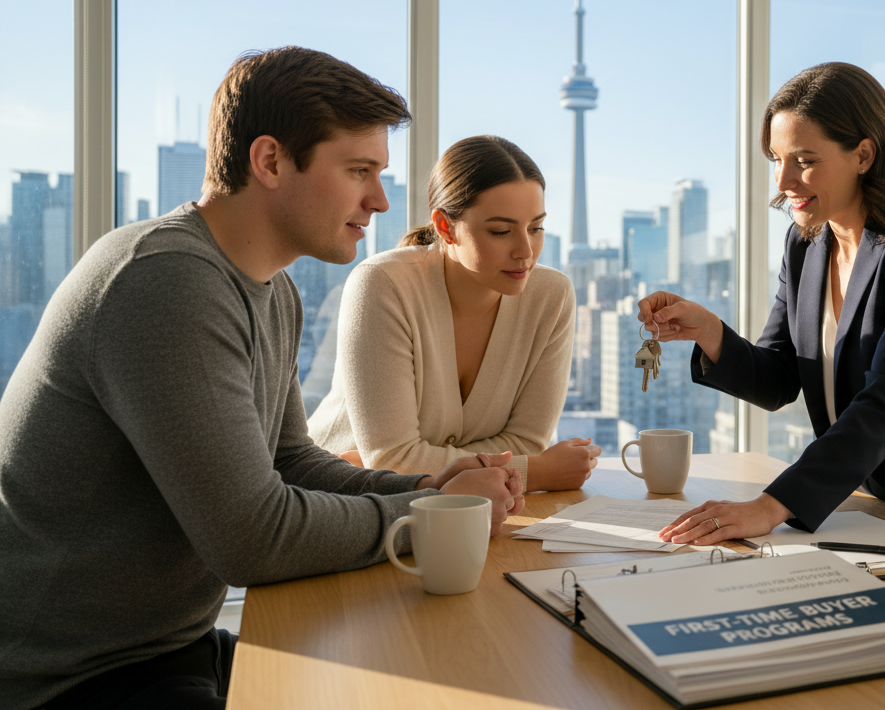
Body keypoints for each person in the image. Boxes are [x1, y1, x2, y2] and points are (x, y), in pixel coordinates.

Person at [0, 47, 524, 710]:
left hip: (166, 644)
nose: (381, 200)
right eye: (359, 170)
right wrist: (429, 513)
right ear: (270, 161)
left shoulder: (272, 290)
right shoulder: (165, 282)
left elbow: (287, 458)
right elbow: (253, 537)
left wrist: (424, 486)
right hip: (66, 677)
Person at [643, 62, 885, 546]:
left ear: (863, 154)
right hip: (868, 505)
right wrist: (709, 331)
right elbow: (780, 379)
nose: (784, 180)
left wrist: (768, 507)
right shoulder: (805, 246)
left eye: (804, 160)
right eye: (776, 159)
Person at [307, 135, 599, 491]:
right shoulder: (382, 284)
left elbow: (526, 444)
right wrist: (537, 472)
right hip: (343, 501)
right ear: (445, 227)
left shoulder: (551, 296)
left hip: (471, 506)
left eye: (536, 228)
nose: (526, 251)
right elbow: (392, 461)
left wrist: (415, 461)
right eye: (501, 231)